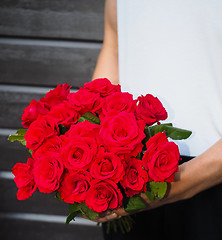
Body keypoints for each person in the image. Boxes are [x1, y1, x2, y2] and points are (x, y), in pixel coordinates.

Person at [90, 0, 222, 239]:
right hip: (128, 172)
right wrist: (87, 157)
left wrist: (166, 190)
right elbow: (114, 48)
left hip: (213, 178)